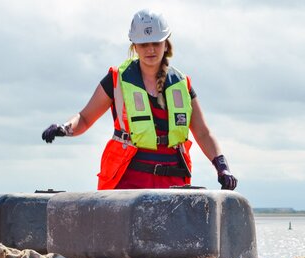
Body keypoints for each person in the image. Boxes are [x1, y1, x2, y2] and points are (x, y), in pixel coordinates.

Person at [42, 9, 237, 191]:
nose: (150, 49)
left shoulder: (181, 84)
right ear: (134, 46)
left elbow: (203, 133)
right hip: (128, 185)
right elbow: (84, 118)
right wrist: (64, 127)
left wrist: (222, 166)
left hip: (173, 185)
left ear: (166, 44)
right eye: (144, 44)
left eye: (156, 43)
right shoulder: (117, 80)